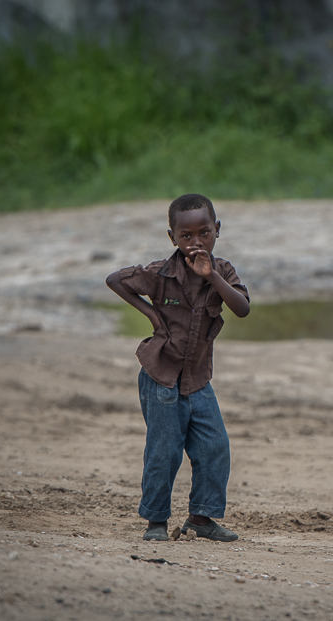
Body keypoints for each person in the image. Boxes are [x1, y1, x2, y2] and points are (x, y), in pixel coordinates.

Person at [105, 193, 250, 542]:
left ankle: (201, 519)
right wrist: (153, 314)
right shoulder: (160, 273)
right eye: (186, 236)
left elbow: (242, 308)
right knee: (164, 449)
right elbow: (115, 280)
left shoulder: (224, 271)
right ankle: (155, 521)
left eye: (204, 233)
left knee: (215, 447)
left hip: (198, 380)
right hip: (162, 377)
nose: (196, 242)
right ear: (172, 237)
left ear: (217, 230)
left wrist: (212, 276)